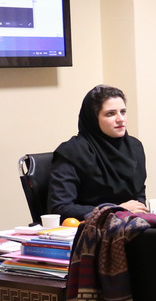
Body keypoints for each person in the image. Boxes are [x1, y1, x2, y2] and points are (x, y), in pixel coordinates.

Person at [49, 85, 149, 221]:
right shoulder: (72, 152)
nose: (121, 119)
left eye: (123, 112)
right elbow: (60, 208)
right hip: (88, 229)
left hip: (131, 225)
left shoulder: (135, 147)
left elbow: (139, 197)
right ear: (93, 118)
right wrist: (115, 210)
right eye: (111, 113)